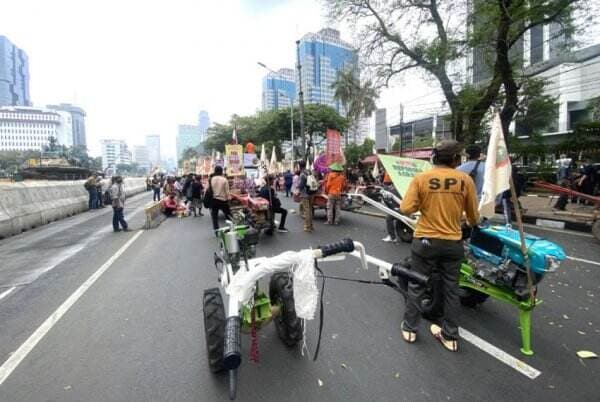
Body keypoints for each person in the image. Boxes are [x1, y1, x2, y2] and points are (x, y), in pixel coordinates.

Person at [399, 140, 479, 352]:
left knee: (417, 285)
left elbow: (406, 208)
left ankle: (410, 329)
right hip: (453, 243)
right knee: (451, 289)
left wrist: (424, 205)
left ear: (435, 157)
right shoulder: (465, 181)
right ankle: (450, 336)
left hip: (425, 241)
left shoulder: (422, 179)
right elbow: (473, 217)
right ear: (455, 159)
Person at [210, 166, 232, 231]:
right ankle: (231, 228)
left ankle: (216, 231)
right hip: (223, 200)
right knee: (228, 215)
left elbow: (207, 190)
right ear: (221, 171)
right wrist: (229, 200)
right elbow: (227, 192)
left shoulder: (211, 179)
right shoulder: (224, 179)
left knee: (214, 217)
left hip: (214, 200)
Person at [297, 161, 317, 232]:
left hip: (305, 194)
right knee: (310, 210)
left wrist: (297, 187)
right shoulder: (309, 172)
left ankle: (307, 227)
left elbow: (301, 185)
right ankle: (311, 226)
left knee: (307, 211)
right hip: (311, 193)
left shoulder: (302, 174)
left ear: (299, 166)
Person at [381, 173, 401, 242]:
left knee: (389, 218)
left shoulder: (392, 189)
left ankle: (392, 237)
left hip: (403, 208)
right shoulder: (400, 187)